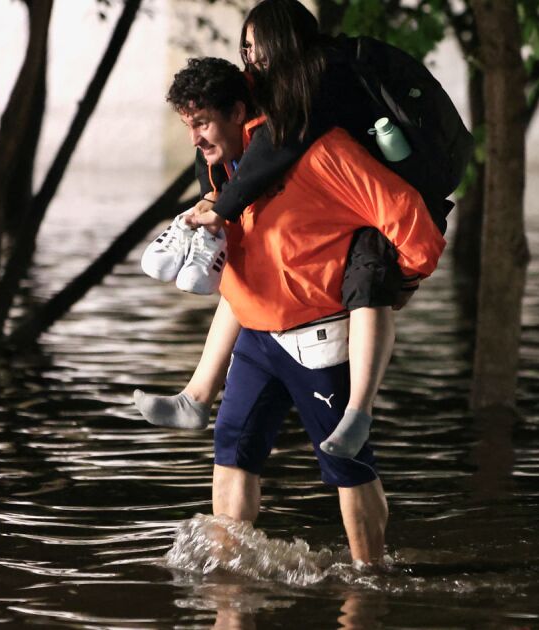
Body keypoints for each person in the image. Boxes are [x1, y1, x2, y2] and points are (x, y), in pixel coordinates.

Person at [158, 56, 444, 564]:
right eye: (189, 126)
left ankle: (369, 583)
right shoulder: (227, 164)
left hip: (318, 340)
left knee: (348, 464)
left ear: (239, 111)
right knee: (232, 450)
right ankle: (230, 589)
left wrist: (394, 282)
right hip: (257, 337)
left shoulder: (321, 154)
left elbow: (410, 220)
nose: (195, 139)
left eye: (202, 124)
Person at [134, 0, 445, 458]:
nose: (250, 58)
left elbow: (279, 146)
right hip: (322, 225)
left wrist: (410, 274)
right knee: (249, 265)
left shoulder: (320, 81)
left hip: (376, 208)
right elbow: (247, 157)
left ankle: (359, 411)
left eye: (257, 47)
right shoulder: (270, 97)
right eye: (245, 48)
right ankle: (198, 395)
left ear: (285, 43)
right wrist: (213, 202)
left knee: (368, 283)